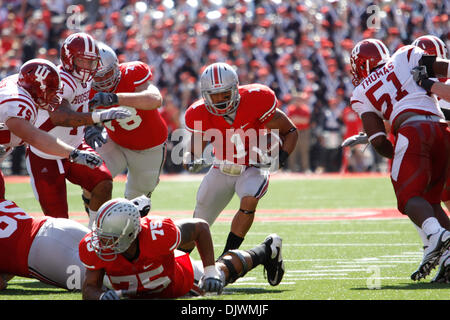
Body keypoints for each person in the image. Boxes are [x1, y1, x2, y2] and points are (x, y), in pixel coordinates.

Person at [348, 38, 450, 282]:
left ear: (359, 66)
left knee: (408, 197)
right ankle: (448, 259)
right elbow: (444, 68)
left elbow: (379, 140)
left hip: (412, 132)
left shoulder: (361, 92)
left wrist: (403, 153)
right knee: (432, 199)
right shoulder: (404, 55)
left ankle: (437, 236)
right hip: (442, 130)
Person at [182, 62, 298, 257]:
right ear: (205, 94)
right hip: (221, 167)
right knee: (199, 221)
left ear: (235, 89)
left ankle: (227, 258)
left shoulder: (256, 99)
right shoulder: (198, 113)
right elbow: (192, 151)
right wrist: (191, 161)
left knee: (249, 198)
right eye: (214, 95)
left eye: (225, 94)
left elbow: (291, 131)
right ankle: (178, 263)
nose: (219, 101)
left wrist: (281, 159)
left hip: (253, 166)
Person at [79, 198, 285, 299]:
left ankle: (267, 250)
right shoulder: (96, 247)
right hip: (147, 281)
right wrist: (100, 296)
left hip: (180, 283)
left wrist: (210, 271)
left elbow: (200, 227)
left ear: (130, 234)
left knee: (220, 274)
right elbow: (89, 287)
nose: (102, 243)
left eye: (110, 238)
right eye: (102, 236)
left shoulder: (156, 233)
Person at [24, 33, 131, 227]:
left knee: (103, 182)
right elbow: (60, 116)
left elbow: (82, 103)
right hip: (46, 154)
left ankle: (94, 234)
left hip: (76, 145)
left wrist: (92, 127)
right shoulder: (58, 79)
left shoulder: (85, 78)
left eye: (92, 63)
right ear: (69, 58)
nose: (88, 68)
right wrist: (97, 118)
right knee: (59, 222)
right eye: (83, 61)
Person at [81, 42, 167, 215]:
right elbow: (75, 113)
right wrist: (89, 127)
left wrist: (115, 98)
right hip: (115, 141)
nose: (103, 81)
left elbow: (155, 99)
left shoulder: (132, 72)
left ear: (117, 67)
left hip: (150, 147)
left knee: (137, 201)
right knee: (93, 178)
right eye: (97, 77)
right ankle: (93, 228)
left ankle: (127, 233)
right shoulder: (84, 86)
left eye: (108, 74)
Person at [0, 58, 104, 199]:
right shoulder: (19, 103)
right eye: (51, 91)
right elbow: (34, 137)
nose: (56, 97)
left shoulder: (22, 85)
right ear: (36, 89)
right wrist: (73, 153)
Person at [0, 198, 90, 291]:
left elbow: (1, 283)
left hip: (42, 253)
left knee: (97, 284)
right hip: (57, 224)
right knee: (104, 257)